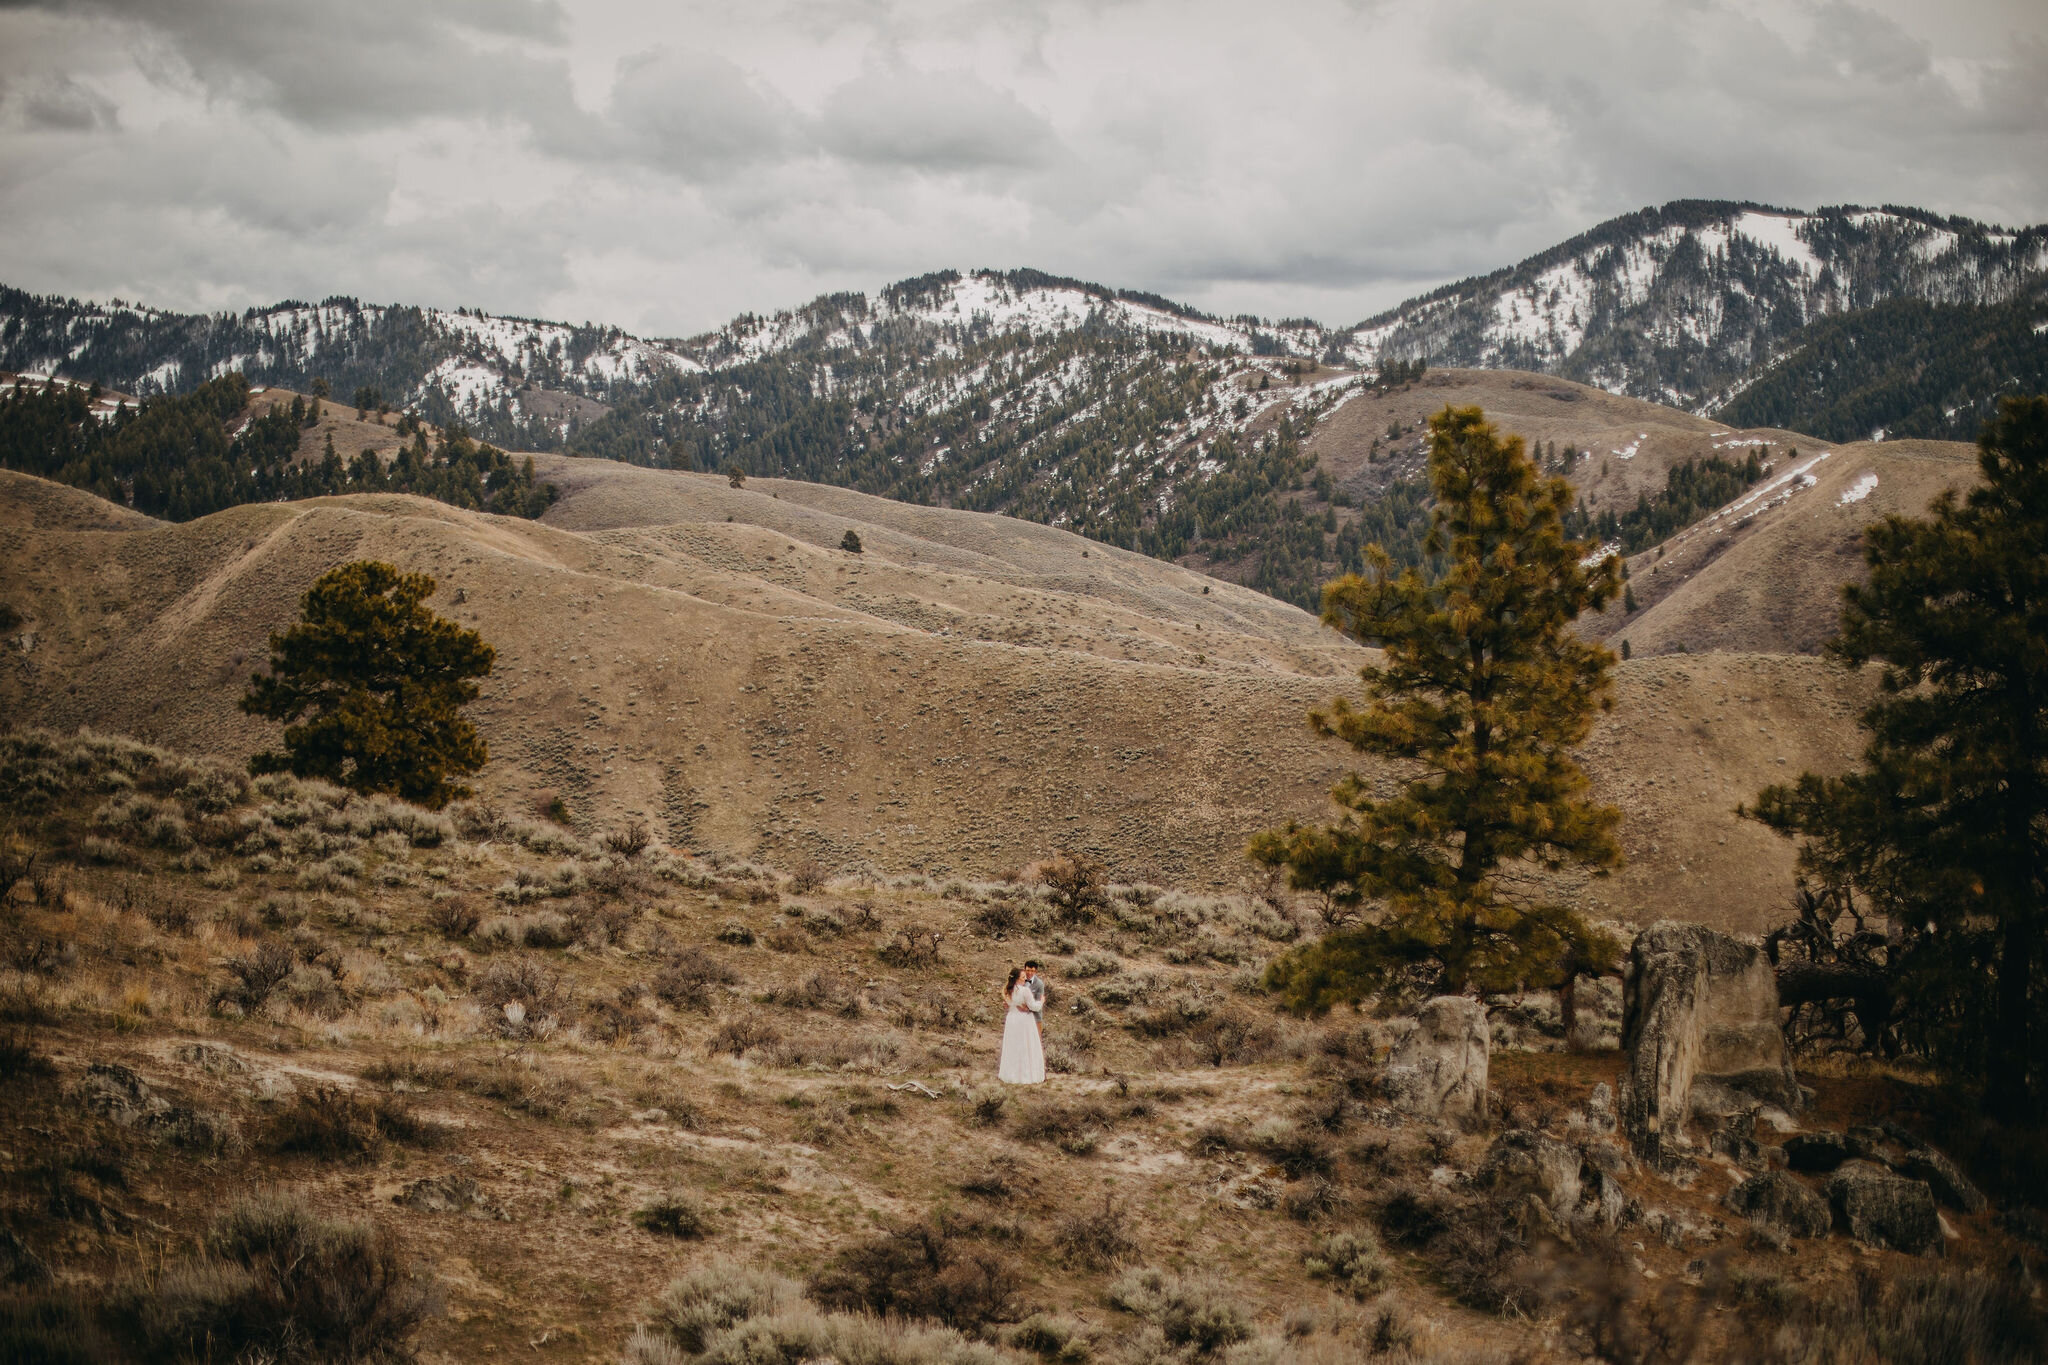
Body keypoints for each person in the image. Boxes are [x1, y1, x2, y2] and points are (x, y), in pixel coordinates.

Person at [998, 963, 1045, 1084]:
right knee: (1025, 1047)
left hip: (1011, 1020)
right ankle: (1026, 1075)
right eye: (1023, 977)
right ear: (1017, 979)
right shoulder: (1025, 991)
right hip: (1024, 1021)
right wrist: (1041, 1002)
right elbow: (1034, 1007)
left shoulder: (1007, 990)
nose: (1025, 979)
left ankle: (1010, 1074)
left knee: (1013, 1047)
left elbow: (1008, 1004)